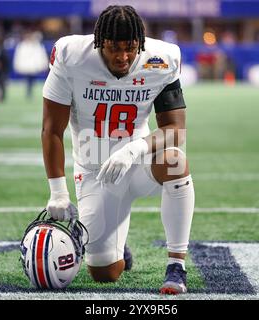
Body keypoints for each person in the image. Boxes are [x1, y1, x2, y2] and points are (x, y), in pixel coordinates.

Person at [42, 5, 195, 294]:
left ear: (140, 43)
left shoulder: (160, 59)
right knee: (105, 273)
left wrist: (135, 148)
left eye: (130, 48)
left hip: (138, 163)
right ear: (100, 41)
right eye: (114, 48)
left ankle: (176, 266)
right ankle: (117, 242)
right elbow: (51, 129)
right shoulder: (72, 56)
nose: (123, 57)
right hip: (95, 171)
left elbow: (176, 129)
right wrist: (58, 192)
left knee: (175, 161)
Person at [13, 30, 48, 99]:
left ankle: (30, 92)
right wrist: (18, 65)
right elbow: (19, 56)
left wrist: (43, 64)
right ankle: (29, 93)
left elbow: (41, 56)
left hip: (33, 67)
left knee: (31, 80)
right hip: (27, 67)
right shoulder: (22, 45)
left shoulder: (37, 45)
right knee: (28, 80)